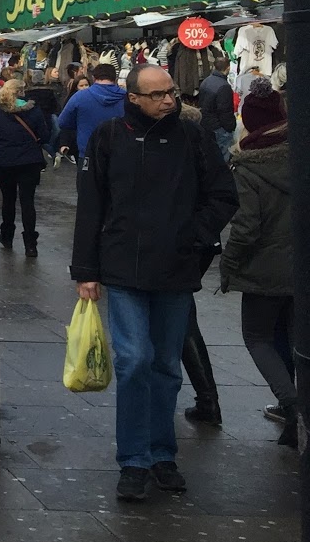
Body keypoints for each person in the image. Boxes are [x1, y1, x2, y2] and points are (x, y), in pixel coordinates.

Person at [70, 64, 239, 502]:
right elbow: (90, 205)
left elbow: (223, 195)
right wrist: (85, 271)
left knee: (165, 366)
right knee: (132, 360)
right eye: (158, 94)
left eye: (173, 93)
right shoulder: (108, 137)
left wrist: (195, 234)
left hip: (176, 269)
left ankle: (163, 454)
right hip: (123, 268)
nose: (169, 100)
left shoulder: (192, 136)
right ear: (134, 98)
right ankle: (133, 460)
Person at [218, 78, 295, 446]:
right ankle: (295, 409)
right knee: (291, 335)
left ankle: (293, 404)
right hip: (300, 268)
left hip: (265, 270)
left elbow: (246, 228)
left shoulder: (247, 167)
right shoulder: (298, 154)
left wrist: (228, 266)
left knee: (259, 336)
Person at [0, 80, 51, 256]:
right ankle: (30, 244)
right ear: (21, 91)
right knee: (28, 202)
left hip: (5, 162)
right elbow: (44, 135)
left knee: (8, 200)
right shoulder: (33, 110)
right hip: (30, 161)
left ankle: (7, 235)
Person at [55, 63, 126, 162]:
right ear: (115, 78)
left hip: (88, 152)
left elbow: (62, 122)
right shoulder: (127, 98)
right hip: (120, 152)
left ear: (93, 78)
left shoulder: (80, 96)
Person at [195, 60, 237, 164]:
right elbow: (225, 111)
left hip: (207, 124)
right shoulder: (224, 86)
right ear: (227, 68)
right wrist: (230, 127)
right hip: (220, 127)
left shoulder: (206, 81)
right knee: (224, 158)